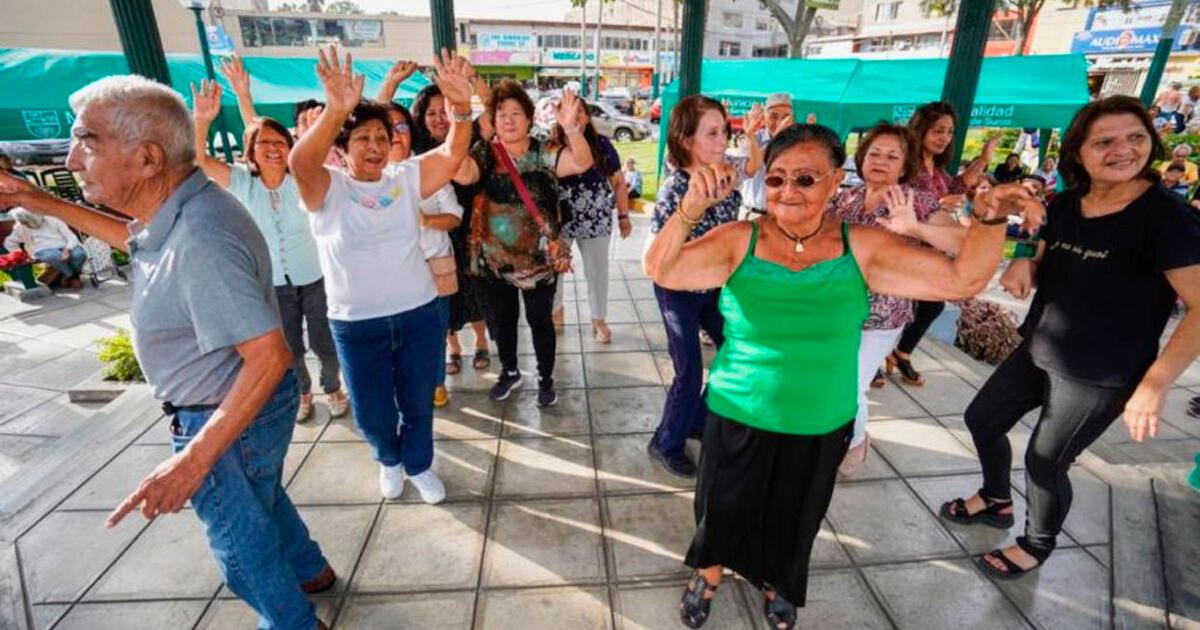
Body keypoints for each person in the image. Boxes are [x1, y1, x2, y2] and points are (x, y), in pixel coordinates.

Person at [643, 123, 1041, 630]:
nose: (788, 192)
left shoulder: (864, 246)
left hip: (820, 415)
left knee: (795, 512)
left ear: (835, 183)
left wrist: (987, 218)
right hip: (738, 406)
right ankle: (709, 570)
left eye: (806, 179)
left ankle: (779, 583)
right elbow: (663, 270)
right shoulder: (741, 238)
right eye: (778, 179)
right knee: (724, 504)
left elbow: (962, 279)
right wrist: (688, 212)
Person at [0, 75, 335, 630]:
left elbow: (270, 356)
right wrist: (35, 198)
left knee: (239, 546)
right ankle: (310, 569)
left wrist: (191, 461)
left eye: (87, 140)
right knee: (261, 497)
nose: (73, 157)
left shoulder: (202, 236)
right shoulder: (182, 206)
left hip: (225, 414)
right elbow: (133, 237)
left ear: (149, 157)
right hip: (242, 406)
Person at [942, 96, 1200, 580]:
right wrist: (1023, 262)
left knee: (1045, 461)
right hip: (1039, 349)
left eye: (1135, 138)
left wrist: (1155, 385)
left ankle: (1036, 543)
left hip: (1102, 370)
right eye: (1105, 141)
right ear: (1079, 151)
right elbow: (1042, 254)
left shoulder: (1169, 218)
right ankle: (997, 498)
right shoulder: (1066, 203)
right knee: (982, 419)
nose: (1123, 150)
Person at [289, 47, 475, 503]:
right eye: (362, 139)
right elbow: (299, 164)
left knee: (418, 402)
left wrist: (463, 108)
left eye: (381, 137)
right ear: (343, 149)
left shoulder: (406, 176)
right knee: (372, 412)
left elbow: (452, 155)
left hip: (417, 314)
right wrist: (335, 111)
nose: (374, 147)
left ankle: (419, 464)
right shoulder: (328, 188)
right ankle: (388, 460)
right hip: (357, 325)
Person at [191, 68, 349, 424]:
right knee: (289, 346)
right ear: (251, 151)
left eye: (280, 143)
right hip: (273, 283)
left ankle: (332, 385)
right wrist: (202, 121)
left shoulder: (302, 177)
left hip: (316, 276)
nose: (274, 149)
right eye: (264, 144)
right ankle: (303, 391)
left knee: (326, 342)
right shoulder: (242, 181)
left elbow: (316, 153)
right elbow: (198, 161)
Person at [828, 122, 966, 474]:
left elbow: (963, 243)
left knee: (850, 384)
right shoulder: (845, 198)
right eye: (874, 153)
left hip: (882, 317)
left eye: (892, 155)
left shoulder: (915, 202)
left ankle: (856, 442)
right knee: (833, 379)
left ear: (905, 166)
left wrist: (916, 229)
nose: (881, 161)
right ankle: (839, 435)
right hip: (836, 312)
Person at [452, 80, 594, 406]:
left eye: (516, 113)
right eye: (501, 114)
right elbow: (461, 174)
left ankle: (545, 377)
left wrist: (571, 129)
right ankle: (510, 372)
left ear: (529, 118)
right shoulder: (485, 153)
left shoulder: (542, 150)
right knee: (502, 322)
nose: (509, 120)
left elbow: (580, 163)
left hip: (539, 261)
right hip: (493, 262)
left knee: (540, 322)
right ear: (492, 120)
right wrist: (463, 127)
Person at [646, 95, 752, 478]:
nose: (722, 139)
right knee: (688, 372)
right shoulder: (676, 188)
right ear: (688, 141)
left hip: (715, 290)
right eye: (712, 133)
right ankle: (666, 442)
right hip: (676, 291)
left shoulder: (727, 178)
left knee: (733, 354)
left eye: (723, 130)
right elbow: (660, 257)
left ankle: (696, 420)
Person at [896, 101, 998, 386]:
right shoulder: (905, 164)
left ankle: (901, 352)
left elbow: (957, 186)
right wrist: (937, 205)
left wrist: (984, 158)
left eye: (950, 132)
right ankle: (884, 356)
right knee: (895, 305)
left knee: (930, 305)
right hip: (902, 247)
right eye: (938, 130)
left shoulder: (937, 169)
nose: (944, 137)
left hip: (931, 248)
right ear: (920, 130)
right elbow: (893, 199)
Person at [383, 98, 464, 409]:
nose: (394, 134)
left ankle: (436, 382)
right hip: (391, 272)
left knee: (434, 330)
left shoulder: (428, 168)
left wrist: (426, 220)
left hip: (435, 265)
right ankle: (403, 384)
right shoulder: (364, 179)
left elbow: (454, 215)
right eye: (386, 128)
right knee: (397, 333)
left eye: (401, 126)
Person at [409, 83, 494, 377]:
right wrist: (392, 84)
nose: (438, 118)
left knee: (475, 291)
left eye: (443, 111)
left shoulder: (466, 136)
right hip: (433, 237)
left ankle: (482, 341)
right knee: (442, 294)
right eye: (431, 112)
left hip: (470, 229)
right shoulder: (415, 148)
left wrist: (474, 82)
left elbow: (492, 115)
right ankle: (453, 348)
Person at [549, 100, 632, 343]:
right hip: (560, 219)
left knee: (597, 272)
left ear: (587, 117)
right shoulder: (551, 147)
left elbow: (618, 182)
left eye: (580, 113)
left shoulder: (602, 145)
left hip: (596, 218)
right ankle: (556, 311)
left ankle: (598, 319)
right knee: (554, 269)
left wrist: (624, 217)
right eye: (569, 112)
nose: (575, 117)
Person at [3, 208, 87, 288]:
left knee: (79, 255)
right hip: (42, 249)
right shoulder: (21, 226)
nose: (26, 224)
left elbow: (71, 237)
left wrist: (68, 249)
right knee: (54, 256)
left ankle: (67, 276)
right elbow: (9, 242)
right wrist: (22, 255)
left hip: (66, 245)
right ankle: (73, 277)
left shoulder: (52, 219)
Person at [739, 92, 792, 217]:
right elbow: (751, 166)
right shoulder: (752, 139)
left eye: (785, 117)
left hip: (781, 217)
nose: (780, 122)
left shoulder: (795, 144)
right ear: (764, 117)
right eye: (774, 116)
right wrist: (776, 138)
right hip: (752, 215)